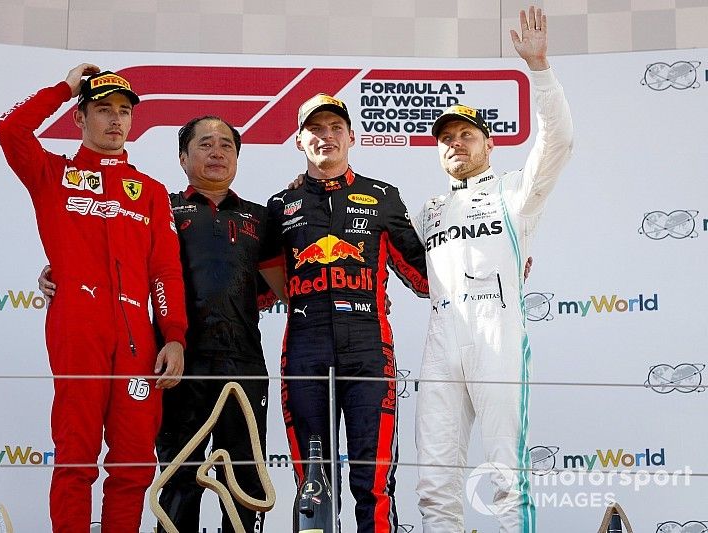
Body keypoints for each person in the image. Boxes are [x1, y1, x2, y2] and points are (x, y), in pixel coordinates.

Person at [39, 116, 285, 532]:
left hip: (244, 361)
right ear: (183, 157)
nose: (217, 153)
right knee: (177, 477)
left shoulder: (262, 219)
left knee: (242, 478)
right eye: (205, 144)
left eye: (226, 145)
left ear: (238, 157)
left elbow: (283, 288)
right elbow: (112, 254)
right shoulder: (159, 204)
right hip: (175, 364)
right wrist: (56, 271)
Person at [0, 64, 188, 532]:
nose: (116, 120)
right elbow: (10, 128)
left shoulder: (151, 192)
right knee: (75, 456)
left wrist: (175, 336)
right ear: (79, 118)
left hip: (137, 339)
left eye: (124, 111)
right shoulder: (51, 174)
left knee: (135, 461)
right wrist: (64, 87)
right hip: (77, 327)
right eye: (103, 110)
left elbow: (165, 270)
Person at [413, 6, 574, 533]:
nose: (455, 144)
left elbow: (557, 144)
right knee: (435, 482)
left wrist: (541, 69)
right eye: (446, 138)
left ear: (489, 143)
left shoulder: (513, 192)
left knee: (506, 474)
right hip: (441, 337)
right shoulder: (429, 209)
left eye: (467, 135)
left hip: (496, 331)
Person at [263, 93, 428, 532]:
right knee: (313, 485)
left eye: (335, 127)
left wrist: (496, 263)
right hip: (305, 350)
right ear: (299, 141)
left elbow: (426, 276)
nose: (326, 136)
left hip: (369, 349)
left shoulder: (382, 196)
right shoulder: (280, 206)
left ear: (352, 136)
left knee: (371, 483)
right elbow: (251, 286)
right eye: (315, 129)